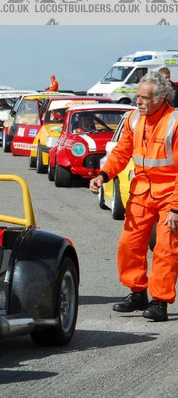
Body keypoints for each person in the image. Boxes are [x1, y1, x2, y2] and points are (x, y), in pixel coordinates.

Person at [89, 71, 178, 322]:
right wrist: (103, 176)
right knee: (128, 245)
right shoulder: (133, 120)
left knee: (165, 249)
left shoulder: (175, 121)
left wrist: (175, 208)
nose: (138, 101)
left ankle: (160, 301)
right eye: (137, 97)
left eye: (144, 98)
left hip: (170, 195)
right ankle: (138, 293)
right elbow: (120, 153)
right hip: (142, 192)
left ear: (161, 98)